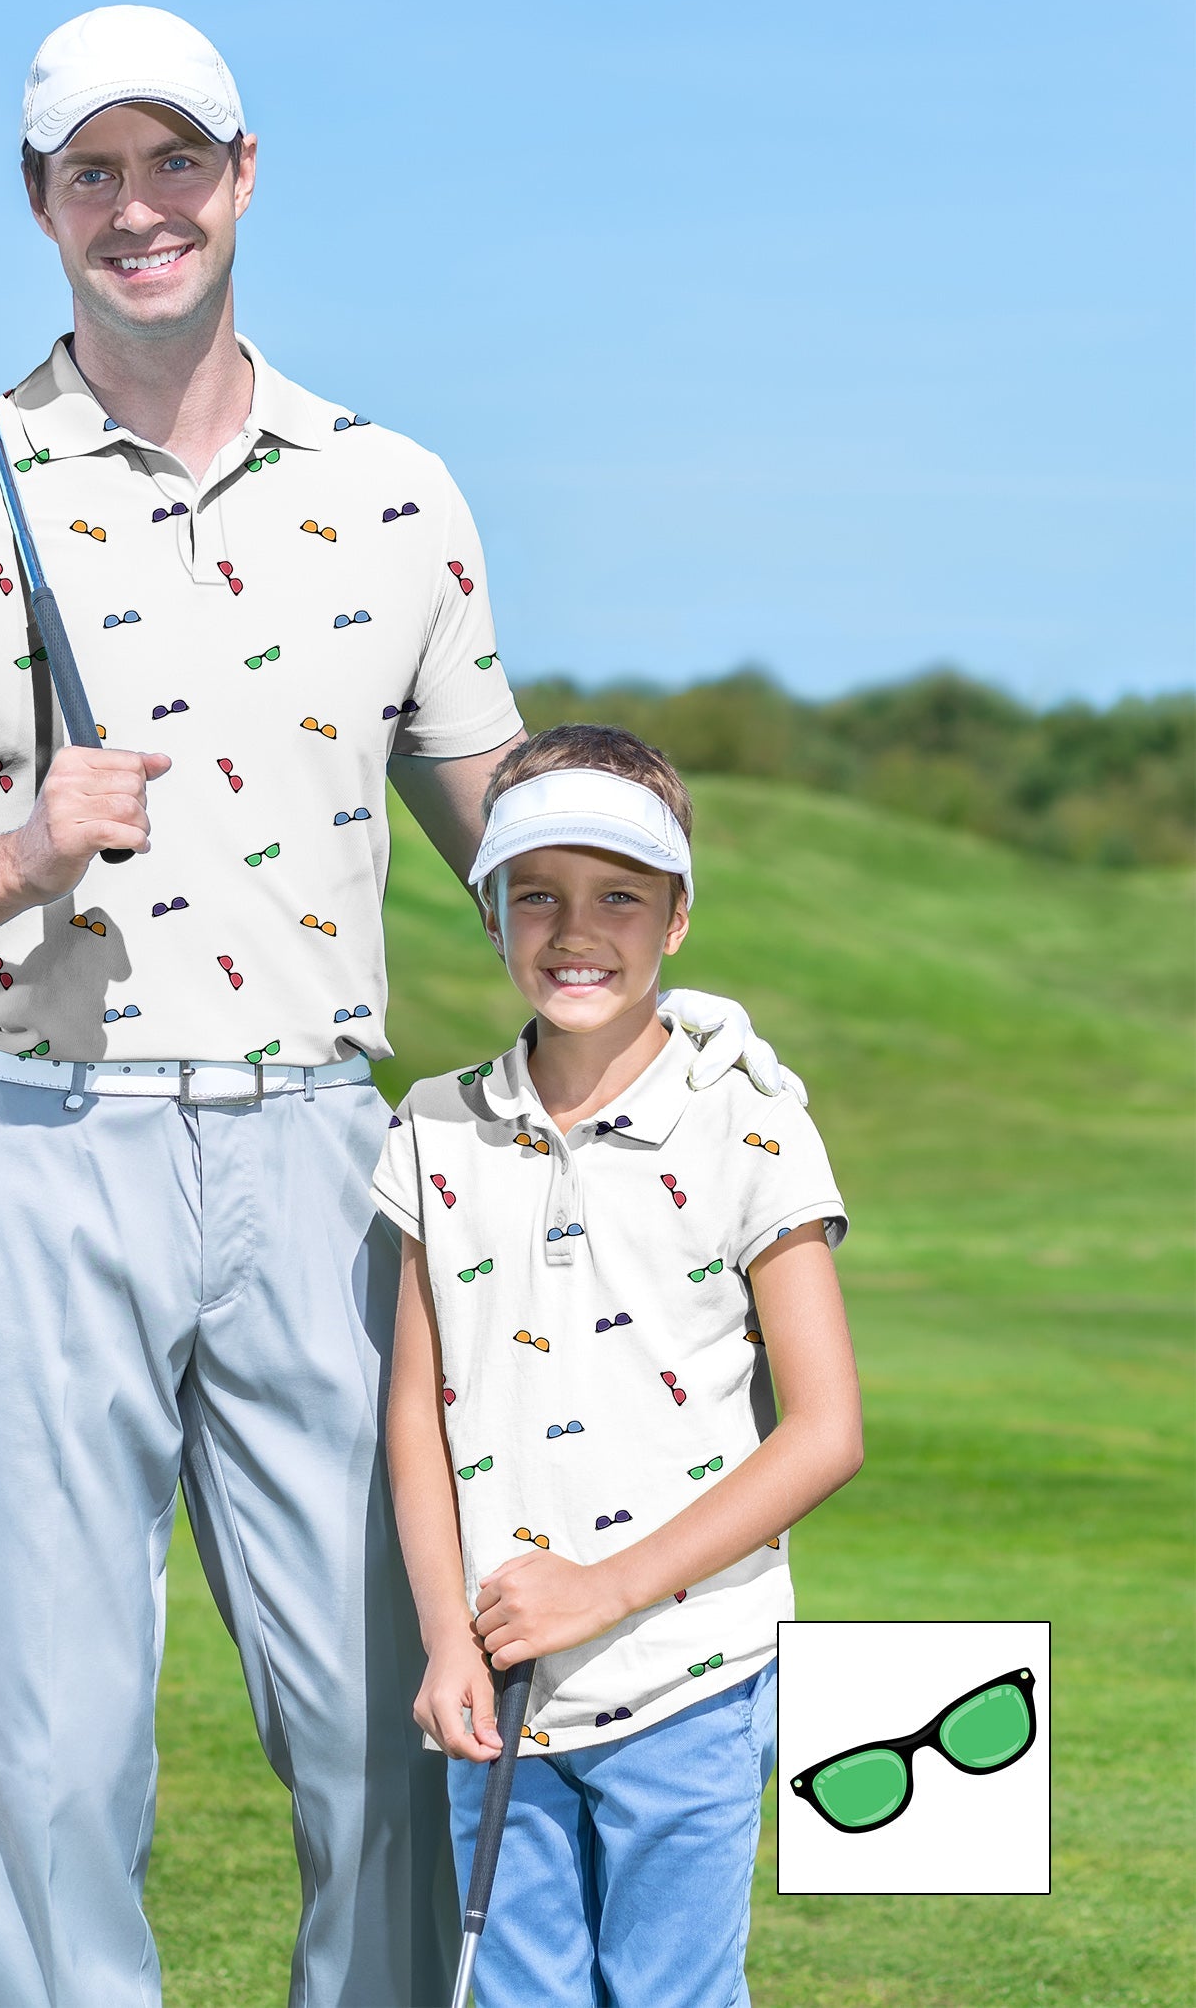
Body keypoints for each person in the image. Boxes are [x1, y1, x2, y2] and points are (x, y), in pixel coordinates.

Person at [0, 9, 791, 2007]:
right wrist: (8, 858)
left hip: (323, 1156)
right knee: (61, 1757)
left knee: (394, 1725)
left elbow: (511, 841)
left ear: (242, 175)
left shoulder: (396, 494)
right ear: (38, 203)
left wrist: (673, 1022)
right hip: (21, 1137)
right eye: (92, 172)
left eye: (175, 162)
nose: (138, 207)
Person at [377, 724, 865, 2008]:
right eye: (536, 894)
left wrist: (602, 1592)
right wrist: (445, 1639)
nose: (575, 930)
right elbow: (416, 1419)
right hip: (499, 1683)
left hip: (693, 1673)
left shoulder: (751, 1120)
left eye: (620, 897)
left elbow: (826, 1431)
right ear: (490, 910)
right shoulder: (434, 1125)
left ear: (678, 918)